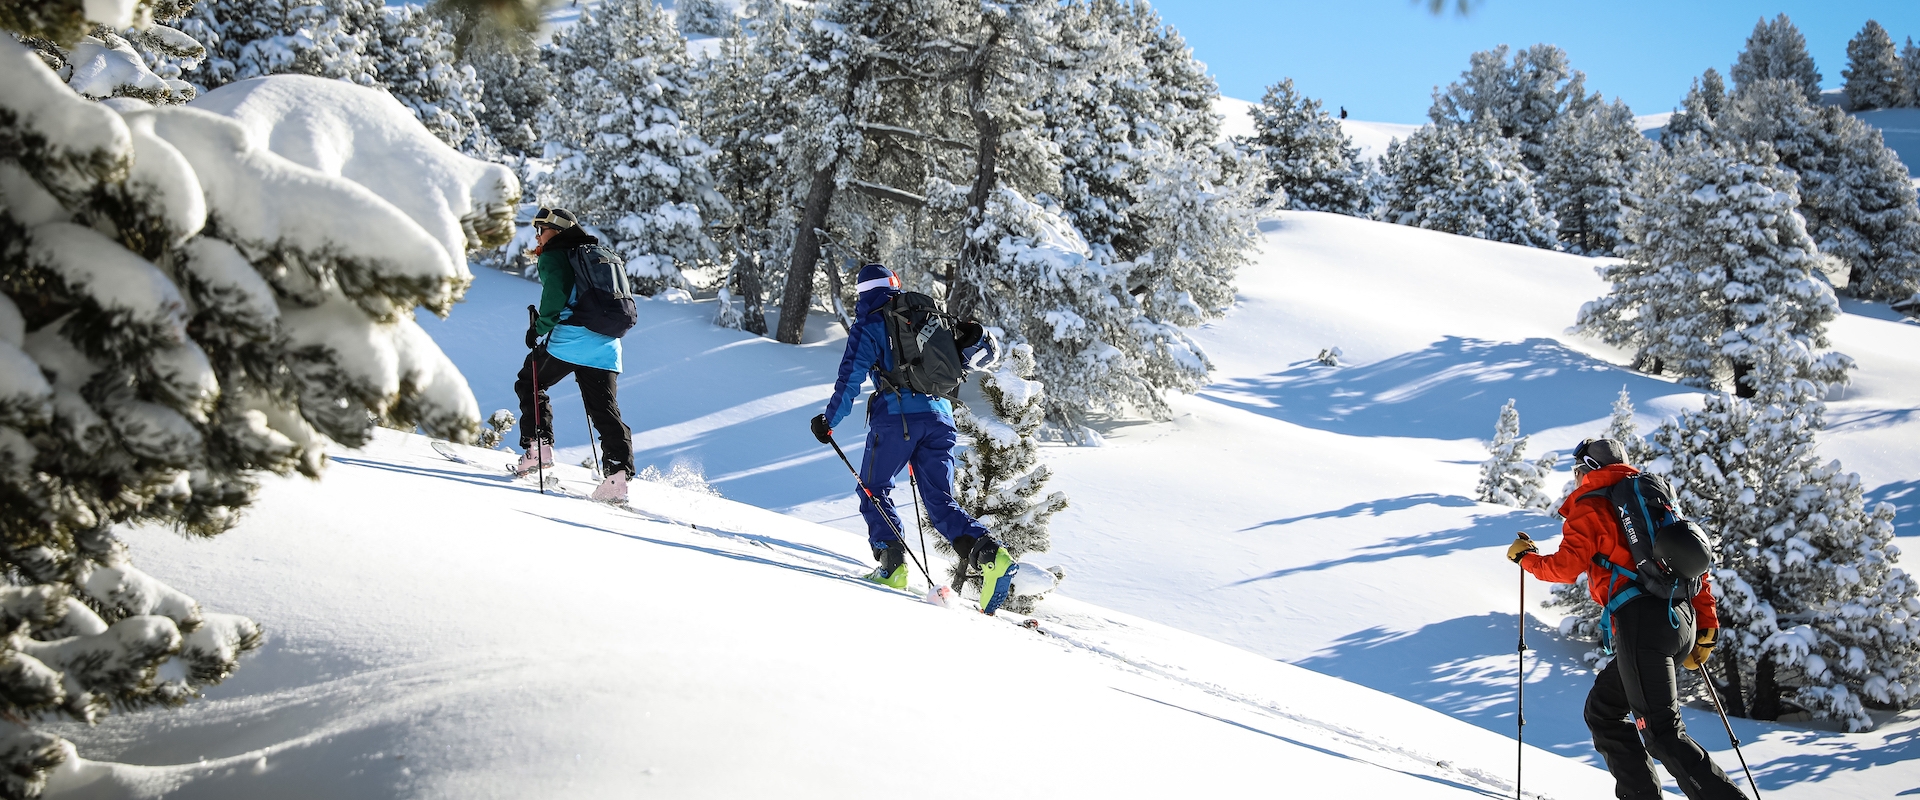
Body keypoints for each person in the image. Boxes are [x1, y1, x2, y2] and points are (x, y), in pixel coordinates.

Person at [1507, 438, 1747, 800]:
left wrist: (1526, 559)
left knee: (1663, 733)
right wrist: (1706, 623)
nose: (1575, 478)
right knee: (1604, 711)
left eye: (1577, 471)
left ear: (1588, 469)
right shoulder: (1654, 500)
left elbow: (1565, 567)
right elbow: (1693, 562)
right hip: (1680, 619)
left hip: (1642, 626)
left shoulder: (1591, 504)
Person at [808, 264, 1012, 612]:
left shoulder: (869, 323)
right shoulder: (924, 315)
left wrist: (829, 421)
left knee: (873, 488)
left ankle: (893, 565)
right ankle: (993, 556)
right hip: (941, 417)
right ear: (895, 284)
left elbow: (850, 378)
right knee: (940, 501)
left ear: (862, 294)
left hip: (897, 419)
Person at [514, 207, 635, 504]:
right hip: (607, 345)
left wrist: (538, 328)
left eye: (541, 230)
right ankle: (617, 478)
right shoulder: (597, 254)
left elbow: (555, 296)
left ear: (557, 231)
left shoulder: (555, 255)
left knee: (529, 381)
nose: (538, 236)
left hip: (570, 341)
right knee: (604, 409)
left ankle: (539, 448)